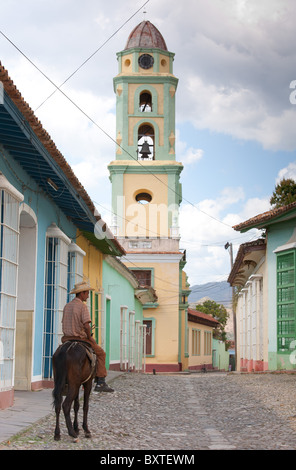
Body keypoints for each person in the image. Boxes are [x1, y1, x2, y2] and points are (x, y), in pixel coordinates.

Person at [61, 280, 114, 393]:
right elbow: (86, 325)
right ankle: (100, 382)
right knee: (100, 353)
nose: (88, 296)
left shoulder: (67, 306)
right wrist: (89, 337)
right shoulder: (82, 306)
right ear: (82, 293)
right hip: (80, 338)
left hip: (66, 339)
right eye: (87, 293)